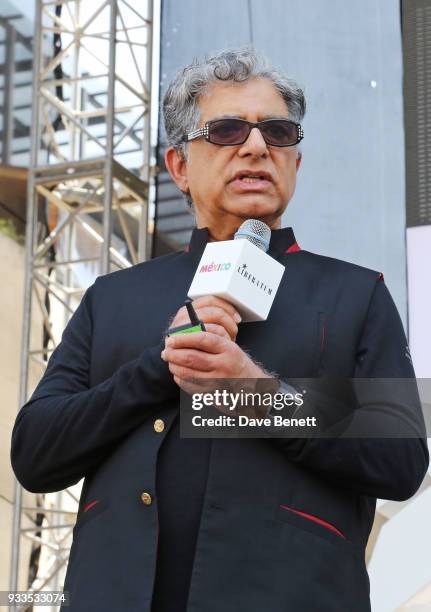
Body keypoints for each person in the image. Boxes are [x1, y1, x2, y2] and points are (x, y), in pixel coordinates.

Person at [11, 48, 429, 612]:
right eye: (228, 130)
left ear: (295, 164)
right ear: (180, 166)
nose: (257, 147)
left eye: (277, 132)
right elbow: (34, 454)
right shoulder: (114, 298)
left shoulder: (354, 294)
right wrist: (158, 368)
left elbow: (402, 462)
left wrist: (255, 393)